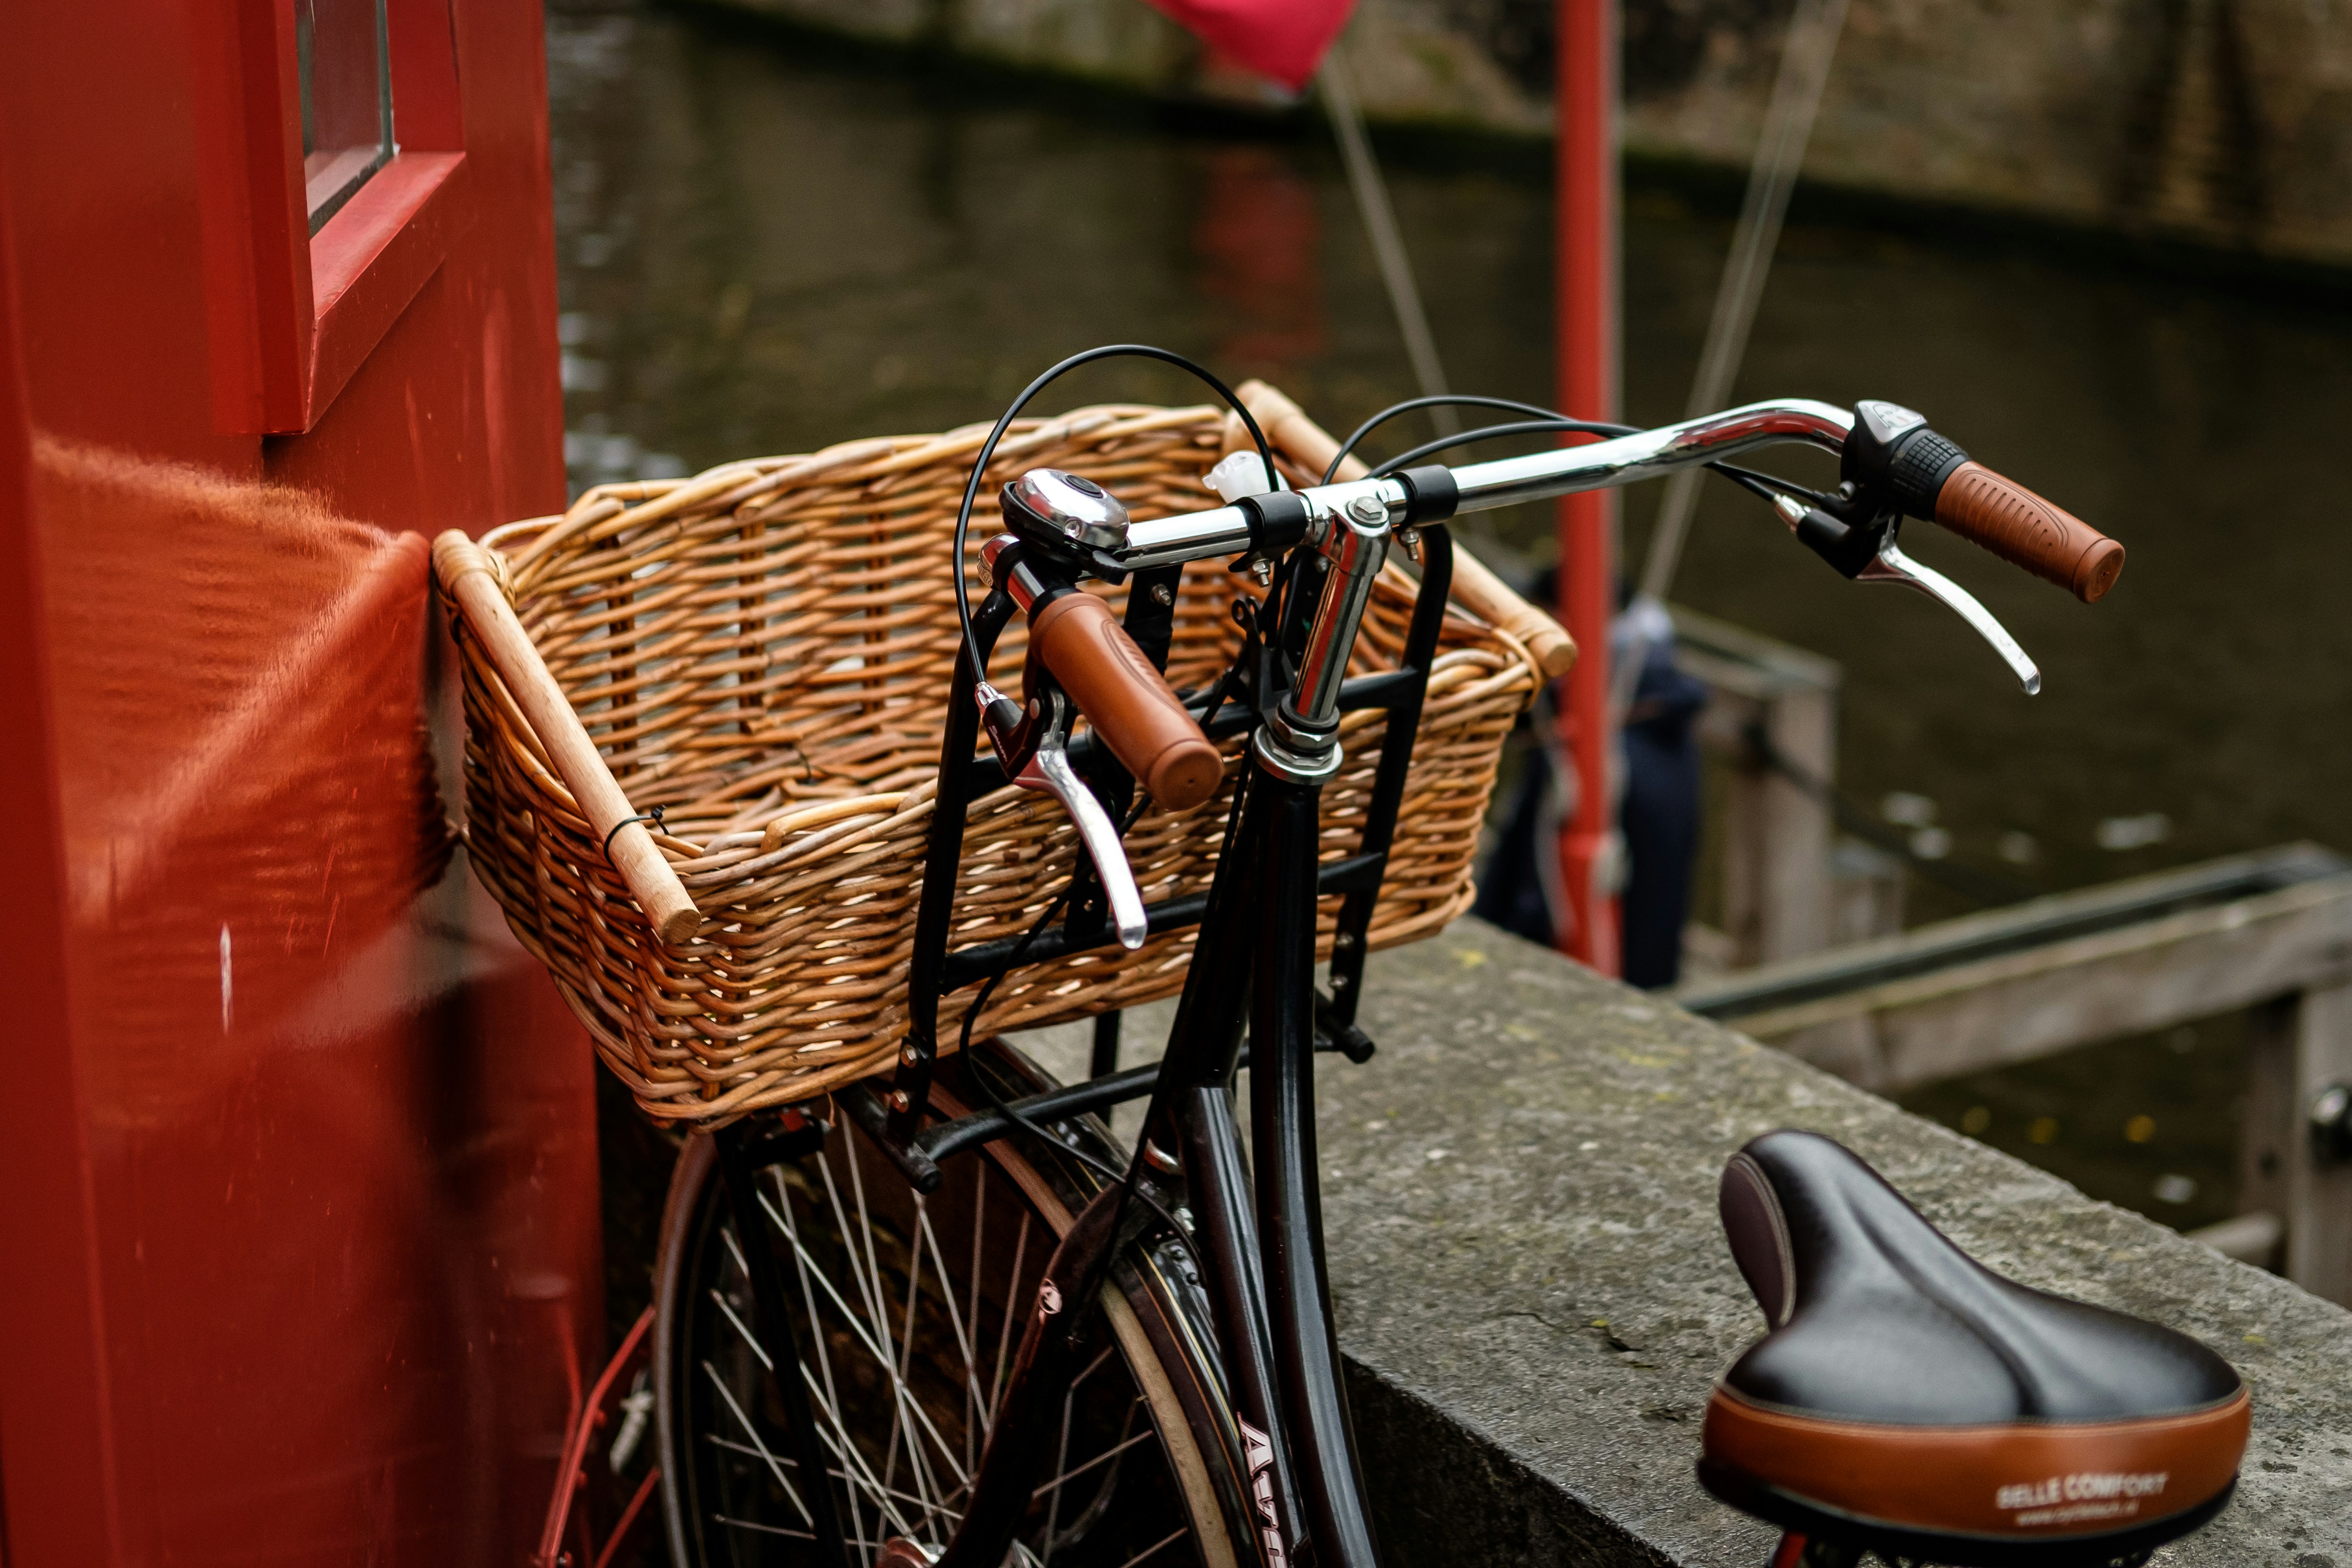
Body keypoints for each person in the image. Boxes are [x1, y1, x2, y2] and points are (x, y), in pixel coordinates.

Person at [1473, 579, 1707, 989]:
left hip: (1597, 956)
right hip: (1646, 954)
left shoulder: (1603, 747)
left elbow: (1536, 868)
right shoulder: (1658, 711)